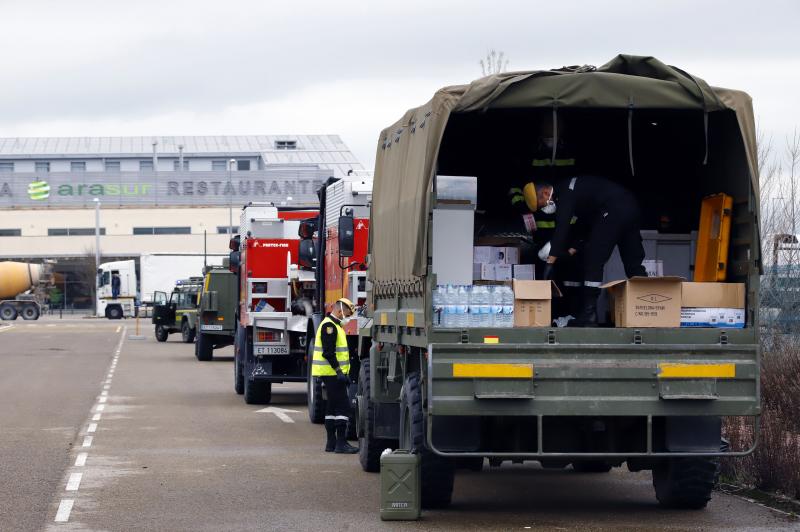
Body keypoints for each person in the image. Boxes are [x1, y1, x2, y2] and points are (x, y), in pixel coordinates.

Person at [528, 177, 647, 326]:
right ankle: (647, 309)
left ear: (546, 193)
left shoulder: (565, 193)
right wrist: (572, 249)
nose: (543, 209)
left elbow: (562, 228)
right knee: (633, 263)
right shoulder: (579, 191)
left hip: (613, 210)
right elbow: (585, 222)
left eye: (541, 206)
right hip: (630, 207)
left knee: (593, 258)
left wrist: (550, 262)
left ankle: (589, 315)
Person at [312, 297, 359, 454]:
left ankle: (331, 443)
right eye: (347, 313)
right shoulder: (329, 326)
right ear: (340, 311)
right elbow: (328, 352)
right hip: (331, 373)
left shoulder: (335, 326)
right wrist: (339, 372)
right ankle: (341, 443)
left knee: (331, 407)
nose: (348, 317)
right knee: (343, 407)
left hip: (331, 373)